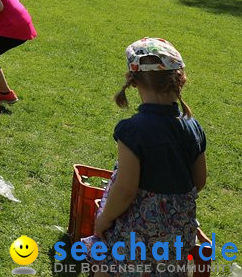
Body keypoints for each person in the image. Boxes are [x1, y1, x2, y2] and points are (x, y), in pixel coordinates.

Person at [81, 38, 205, 273]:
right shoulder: (193, 126)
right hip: (179, 229)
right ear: (178, 79)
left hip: (136, 231)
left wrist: (105, 218)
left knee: (107, 268)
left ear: (133, 81)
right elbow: (199, 181)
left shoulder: (133, 130)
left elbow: (126, 189)